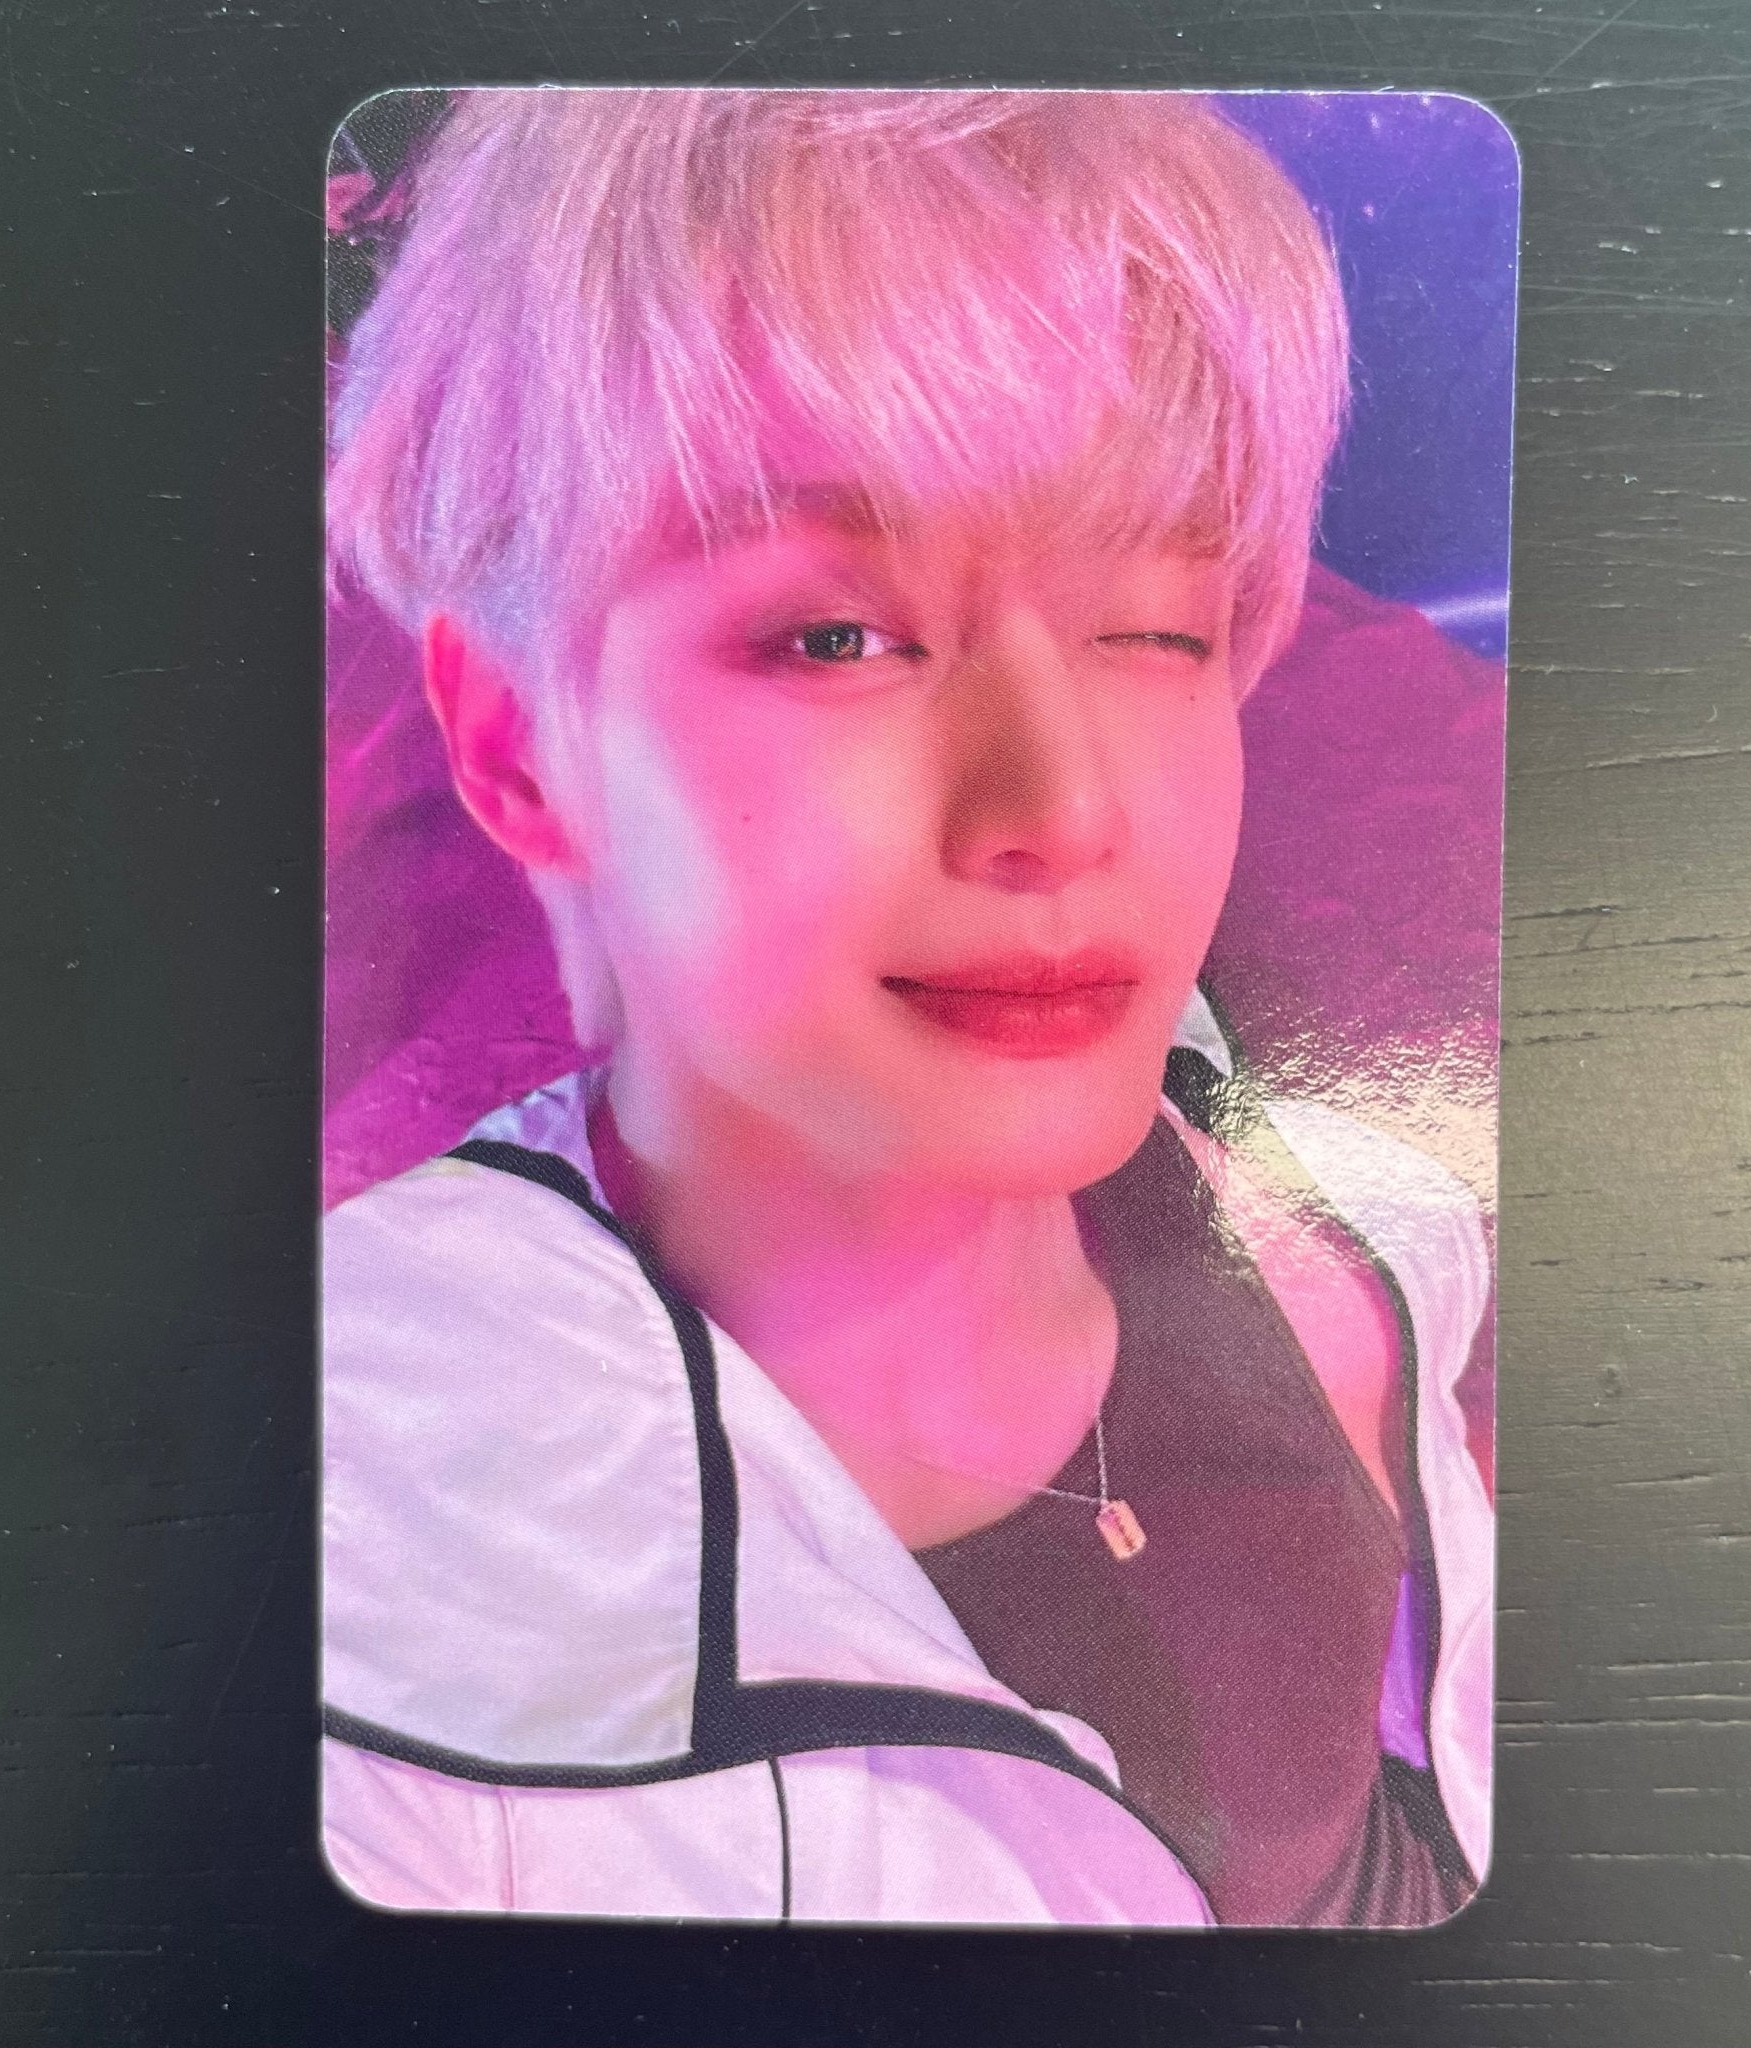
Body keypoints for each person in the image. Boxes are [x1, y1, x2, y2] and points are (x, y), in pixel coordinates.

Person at [320, 85, 1494, 1927]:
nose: (1063, 810)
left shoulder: (1372, 1262)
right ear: (516, 744)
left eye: (1156, 626)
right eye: (838, 635)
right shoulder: (360, 1609)